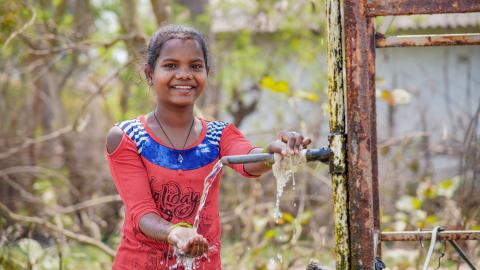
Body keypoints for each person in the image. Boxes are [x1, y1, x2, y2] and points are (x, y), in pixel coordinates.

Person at [105, 24, 312, 269]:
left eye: (195, 66)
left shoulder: (218, 135)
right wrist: (176, 232)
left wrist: (273, 152)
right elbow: (142, 215)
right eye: (171, 65)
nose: (184, 74)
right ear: (150, 74)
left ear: (206, 73)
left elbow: (248, 159)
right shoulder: (128, 137)